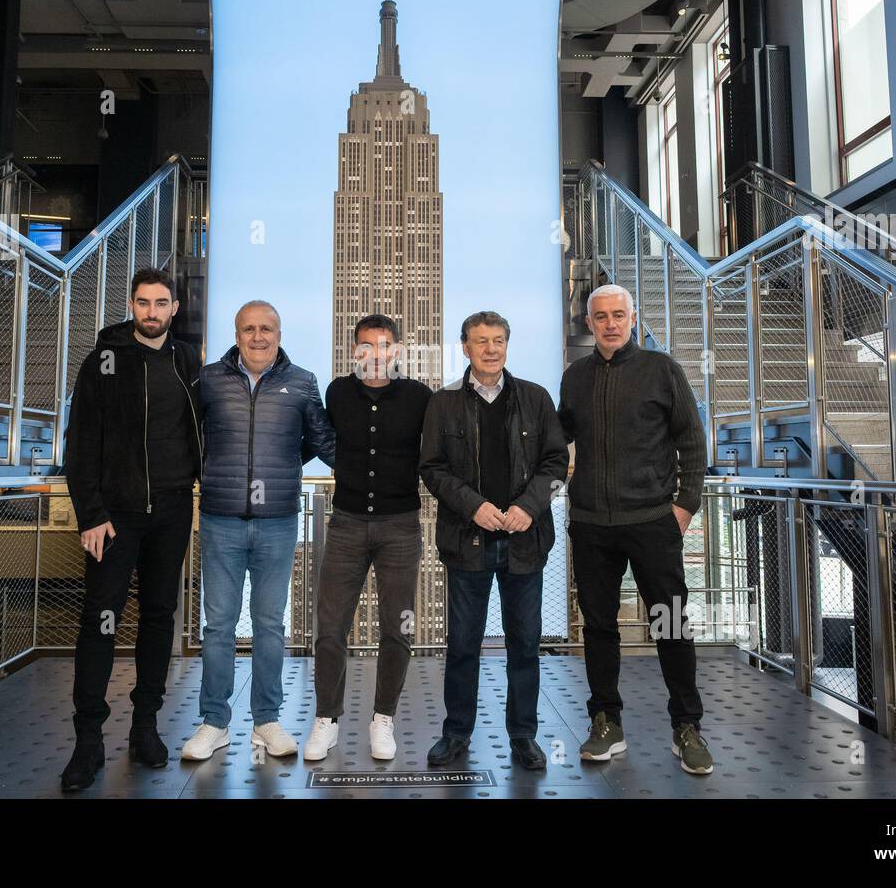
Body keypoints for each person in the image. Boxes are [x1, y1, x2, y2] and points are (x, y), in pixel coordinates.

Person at [557, 283, 712, 774]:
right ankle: (606, 722)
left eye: (618, 314)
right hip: (591, 525)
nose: (610, 323)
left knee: (670, 624)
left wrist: (685, 506)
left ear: (632, 317)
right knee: (599, 628)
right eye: (600, 316)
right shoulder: (574, 377)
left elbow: (691, 438)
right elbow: (558, 439)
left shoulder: (661, 369)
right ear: (589, 323)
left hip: (651, 522)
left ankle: (686, 726)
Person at [60, 268, 201, 792]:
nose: (151, 312)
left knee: (159, 616)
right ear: (132, 305)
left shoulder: (187, 360)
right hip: (115, 517)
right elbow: (81, 444)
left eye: (161, 303)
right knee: (100, 619)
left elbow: (199, 427)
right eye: (143, 303)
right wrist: (90, 514)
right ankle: (88, 741)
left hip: (171, 510)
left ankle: (146, 726)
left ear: (174, 308)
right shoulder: (103, 361)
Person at [181, 301, 336, 761]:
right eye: (248, 329)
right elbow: (191, 437)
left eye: (266, 328)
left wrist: (376, 474)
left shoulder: (303, 382)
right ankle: (214, 723)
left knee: (270, 626)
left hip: (278, 520)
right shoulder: (208, 379)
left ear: (280, 332)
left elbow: (320, 441)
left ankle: (266, 720)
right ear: (236, 333)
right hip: (219, 519)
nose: (258, 336)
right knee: (218, 627)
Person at [419, 311, 568, 770]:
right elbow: (432, 468)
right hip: (468, 541)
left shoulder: (536, 398)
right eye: (480, 341)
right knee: (463, 644)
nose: (490, 349)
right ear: (464, 347)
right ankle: (456, 734)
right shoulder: (443, 402)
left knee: (524, 645)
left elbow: (556, 461)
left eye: (498, 340)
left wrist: (529, 506)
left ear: (507, 345)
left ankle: (523, 736)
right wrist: (473, 506)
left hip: (525, 540)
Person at [303, 315, 432, 762]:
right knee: (330, 628)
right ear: (353, 350)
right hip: (346, 524)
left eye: (384, 345)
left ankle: (384, 718)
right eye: (366, 345)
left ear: (397, 349)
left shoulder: (419, 397)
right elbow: (324, 442)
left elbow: (431, 455)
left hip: (400, 527)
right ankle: (327, 720)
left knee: (398, 629)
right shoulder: (338, 392)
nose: (375, 353)